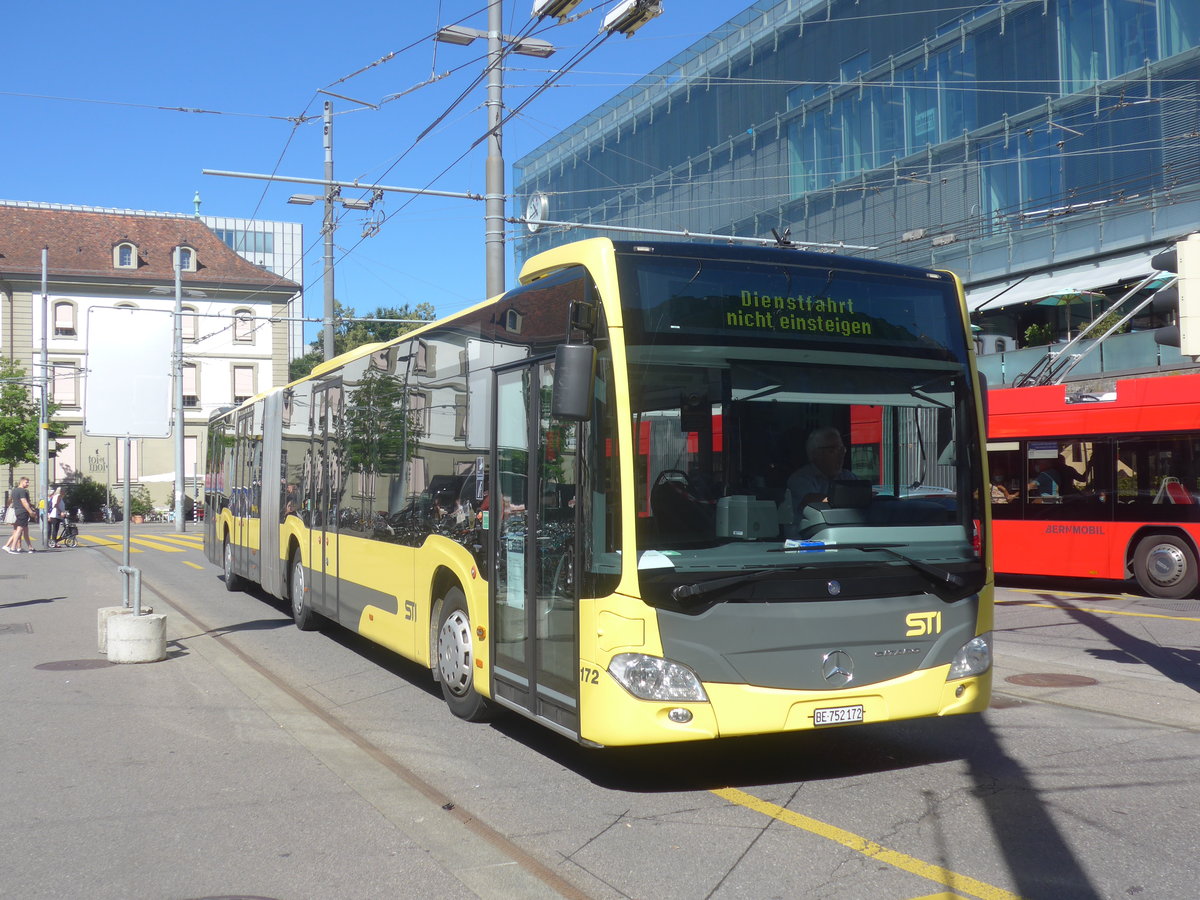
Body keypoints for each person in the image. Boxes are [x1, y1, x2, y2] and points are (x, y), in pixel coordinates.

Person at [787, 426, 857, 521]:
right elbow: (810, 501)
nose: (841, 454)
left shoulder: (848, 476)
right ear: (815, 454)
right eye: (833, 450)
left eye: (842, 449)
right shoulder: (800, 479)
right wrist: (851, 498)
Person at [5, 477, 38, 554]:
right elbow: (24, 502)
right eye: (26, 482)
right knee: (19, 530)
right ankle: (13, 548)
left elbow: (10, 500)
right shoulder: (22, 491)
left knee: (25, 530)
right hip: (23, 512)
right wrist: (30, 512)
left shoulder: (14, 490)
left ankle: (30, 547)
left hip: (18, 511)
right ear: (22, 482)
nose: (28, 484)